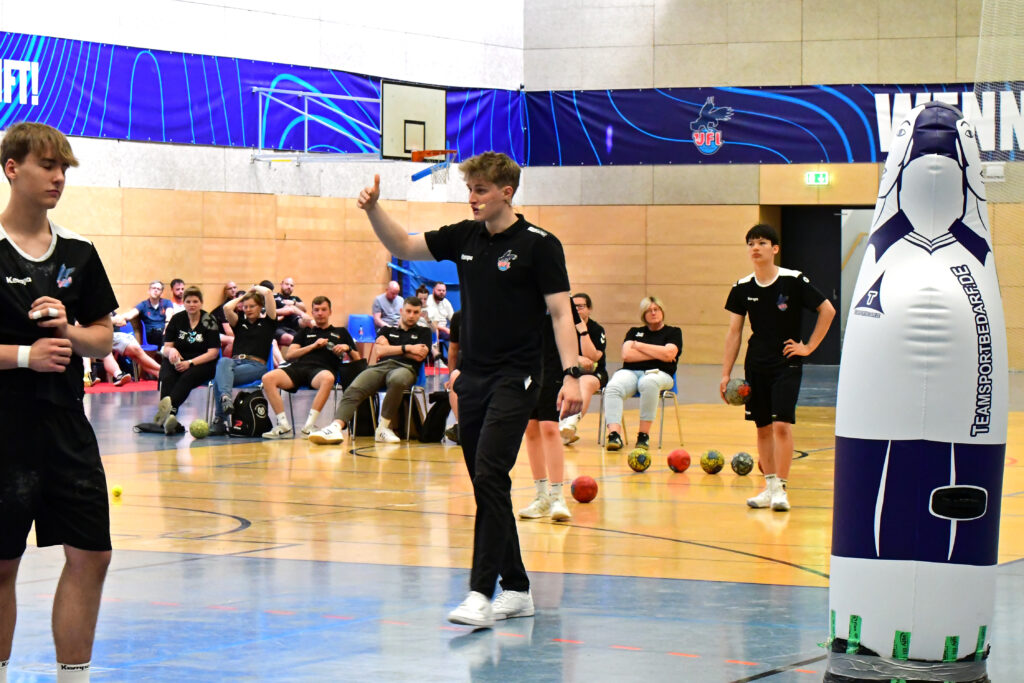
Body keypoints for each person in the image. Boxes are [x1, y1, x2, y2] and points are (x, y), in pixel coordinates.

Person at [344, 151, 582, 629]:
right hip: (472, 378)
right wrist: (373, 210)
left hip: (518, 377)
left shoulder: (539, 245)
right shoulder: (464, 236)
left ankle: (480, 592)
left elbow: (561, 313)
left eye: (481, 190)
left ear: (506, 193)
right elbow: (404, 244)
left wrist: (573, 373)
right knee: (486, 483)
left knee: (491, 473)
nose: (472, 198)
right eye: (469, 189)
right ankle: (517, 589)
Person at [0, 121, 117, 682]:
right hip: (4, 430)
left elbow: (103, 337)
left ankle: (74, 678)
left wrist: (68, 331)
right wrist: (27, 356)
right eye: (47, 165)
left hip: (67, 425)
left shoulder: (80, 252)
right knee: (2, 564)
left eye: (64, 168)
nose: (58, 177)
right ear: (12, 169)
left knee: (92, 553)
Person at [721, 224, 835, 512]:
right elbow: (734, 333)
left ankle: (781, 489)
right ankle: (769, 488)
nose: (755, 248)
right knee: (762, 428)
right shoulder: (742, 287)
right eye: (751, 243)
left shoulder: (793, 280)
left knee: (782, 425)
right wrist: (725, 374)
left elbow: (828, 310)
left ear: (774, 248)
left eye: (761, 242)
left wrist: (808, 347)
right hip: (756, 364)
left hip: (786, 362)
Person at [308, 296, 431, 444]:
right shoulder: (386, 330)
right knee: (356, 385)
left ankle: (383, 429)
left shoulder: (424, 332)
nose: (411, 315)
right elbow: (379, 351)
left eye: (416, 312)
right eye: (408, 311)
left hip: (406, 368)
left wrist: (390, 348)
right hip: (381, 367)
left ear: (420, 314)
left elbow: (420, 356)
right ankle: (335, 427)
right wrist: (409, 348)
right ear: (401, 311)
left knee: (397, 380)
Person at [259, 296, 360, 439]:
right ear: (312, 313)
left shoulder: (341, 332)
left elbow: (357, 359)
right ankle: (283, 426)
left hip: (321, 371)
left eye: (323, 309)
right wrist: (313, 346)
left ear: (330, 312)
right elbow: (290, 355)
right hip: (298, 368)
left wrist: (347, 348)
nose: (320, 313)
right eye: (316, 310)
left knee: (328, 378)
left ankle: (309, 427)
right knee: (268, 378)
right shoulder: (305, 332)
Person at [519, 299, 583, 523]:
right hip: (527, 365)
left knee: (549, 426)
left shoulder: (561, 298)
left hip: (555, 366)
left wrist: (571, 373)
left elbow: (575, 336)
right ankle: (541, 497)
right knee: (530, 427)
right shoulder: (523, 295)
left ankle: (557, 496)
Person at [603, 296, 682, 452]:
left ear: (662, 311)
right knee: (613, 387)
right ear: (643, 315)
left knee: (648, 382)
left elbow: (669, 354)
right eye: (648, 311)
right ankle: (614, 435)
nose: (653, 313)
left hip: (660, 374)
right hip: (631, 372)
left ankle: (643, 435)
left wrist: (639, 346)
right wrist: (659, 353)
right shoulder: (634, 332)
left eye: (656, 309)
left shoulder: (673, 332)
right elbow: (626, 355)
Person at [153, 287, 220, 435]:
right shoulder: (177, 319)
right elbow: (166, 347)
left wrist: (190, 363)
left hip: (202, 362)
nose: (192, 304)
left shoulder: (209, 320)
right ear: (183, 303)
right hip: (178, 359)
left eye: (195, 301)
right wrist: (172, 351)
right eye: (188, 301)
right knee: (167, 376)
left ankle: (169, 413)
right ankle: (170, 420)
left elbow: (213, 353)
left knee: (187, 376)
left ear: (201, 303)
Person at [210, 285, 278, 431]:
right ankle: (226, 399)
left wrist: (254, 288)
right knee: (223, 361)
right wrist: (245, 296)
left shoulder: (268, 323)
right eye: (245, 306)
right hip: (235, 363)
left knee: (219, 378)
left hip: (256, 366)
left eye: (252, 306)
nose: (248, 309)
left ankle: (220, 419)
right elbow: (227, 308)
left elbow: (267, 292)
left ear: (260, 307)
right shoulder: (239, 323)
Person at [558, 292, 607, 445]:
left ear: (589, 309)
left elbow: (592, 357)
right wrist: (577, 358)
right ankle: (563, 429)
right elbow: (557, 353)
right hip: (568, 372)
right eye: (573, 307)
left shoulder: (596, 329)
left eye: (580, 306)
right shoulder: (563, 327)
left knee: (584, 382)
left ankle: (570, 424)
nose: (577, 310)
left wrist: (583, 330)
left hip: (594, 373)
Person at [119, 281, 173, 346]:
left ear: (161, 293)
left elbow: (169, 315)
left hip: (164, 332)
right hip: (151, 334)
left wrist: (167, 328)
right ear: (149, 291)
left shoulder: (167, 302)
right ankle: (163, 349)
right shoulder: (143, 305)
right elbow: (130, 315)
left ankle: (164, 349)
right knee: (158, 334)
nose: (156, 290)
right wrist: (117, 318)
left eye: (158, 289)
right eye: (153, 288)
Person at [444, 310, 462, 444]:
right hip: (468, 367)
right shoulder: (458, 317)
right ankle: (460, 425)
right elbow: (453, 350)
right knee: (455, 377)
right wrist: (450, 374)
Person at [273, 276, 306, 347]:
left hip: (294, 328)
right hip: (279, 327)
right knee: (293, 340)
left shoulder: (295, 299)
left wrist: (293, 303)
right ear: (281, 284)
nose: (289, 287)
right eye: (287, 284)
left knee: (305, 339)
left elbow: (304, 309)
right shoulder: (274, 296)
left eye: (291, 285)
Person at [211, 281, 239, 356]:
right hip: (212, 333)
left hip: (223, 335)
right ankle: (225, 361)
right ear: (225, 292)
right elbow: (228, 331)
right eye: (230, 288)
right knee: (233, 341)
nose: (233, 290)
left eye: (234, 287)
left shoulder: (238, 307)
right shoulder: (224, 307)